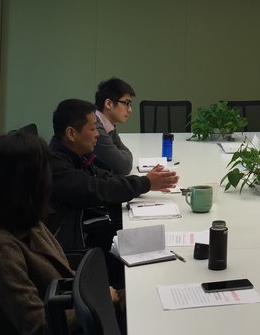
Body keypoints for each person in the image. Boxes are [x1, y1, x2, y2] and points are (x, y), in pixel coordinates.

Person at [0, 129, 121, 335]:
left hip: (73, 302)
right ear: (26, 183)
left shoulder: (19, 217)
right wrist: (99, 302)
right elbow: (36, 326)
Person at [46, 98, 179, 253]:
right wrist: (145, 183)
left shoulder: (74, 154)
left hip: (85, 227)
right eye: (93, 129)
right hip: (74, 247)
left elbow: (102, 177)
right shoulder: (55, 166)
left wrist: (144, 181)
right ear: (71, 133)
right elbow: (97, 189)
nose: (97, 134)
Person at [92, 77, 135, 174]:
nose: (130, 110)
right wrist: (119, 156)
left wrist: (119, 155)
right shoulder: (95, 128)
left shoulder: (108, 124)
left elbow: (123, 151)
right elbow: (124, 166)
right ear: (108, 104)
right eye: (126, 103)